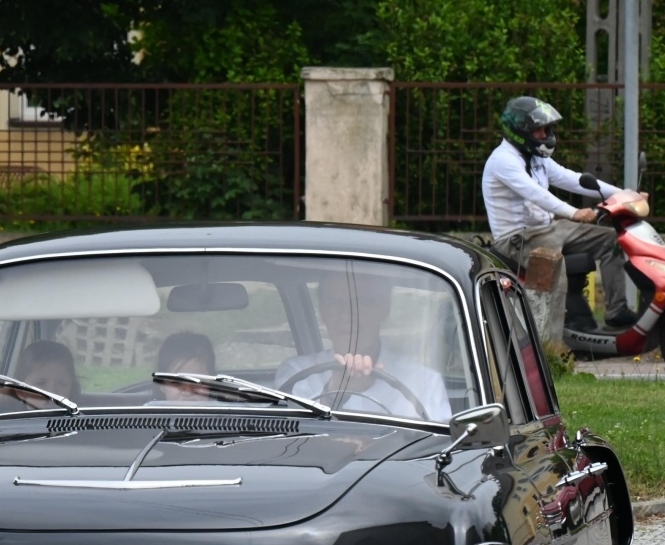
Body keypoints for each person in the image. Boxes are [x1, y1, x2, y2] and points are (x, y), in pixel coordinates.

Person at [481, 96, 642, 330]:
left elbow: (572, 179)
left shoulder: (536, 157)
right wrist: (574, 212)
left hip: (549, 229)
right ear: (521, 130)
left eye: (547, 129)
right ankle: (552, 349)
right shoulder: (503, 161)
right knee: (557, 275)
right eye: (540, 130)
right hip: (519, 239)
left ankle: (617, 313)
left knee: (611, 241)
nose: (546, 135)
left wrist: (627, 195)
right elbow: (536, 194)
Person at [273, 269, 452, 421]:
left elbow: (437, 451)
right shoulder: (297, 374)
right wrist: (333, 393)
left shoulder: (424, 382)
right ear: (323, 309)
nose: (347, 315)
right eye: (335, 303)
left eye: (360, 303)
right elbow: (294, 444)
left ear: (384, 308)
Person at [154, 331, 216, 401]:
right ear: (161, 385)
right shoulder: (145, 411)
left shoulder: (226, 410)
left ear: (211, 383)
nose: (188, 391)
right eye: (177, 381)